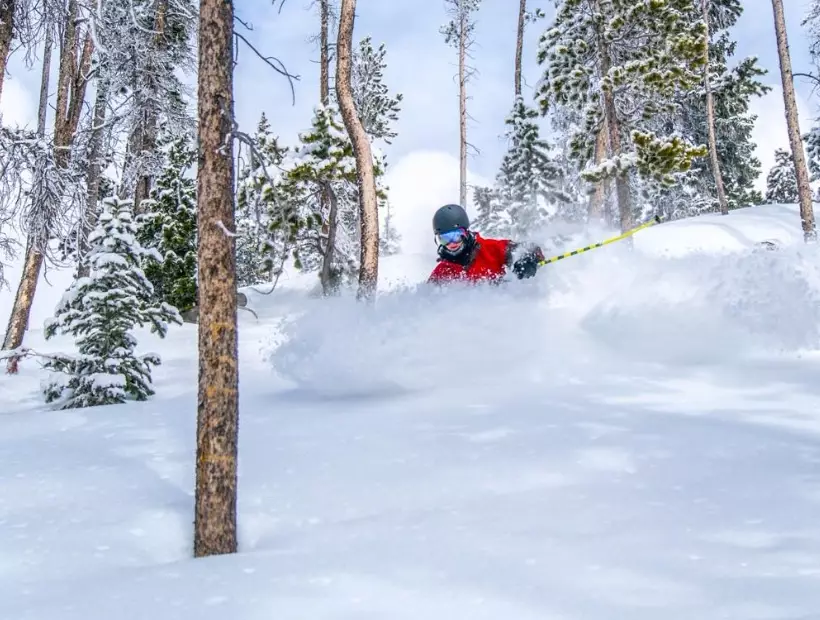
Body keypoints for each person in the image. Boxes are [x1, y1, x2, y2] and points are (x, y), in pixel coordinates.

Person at [427, 203, 545, 285]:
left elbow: (531, 249)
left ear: (466, 232)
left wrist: (528, 259)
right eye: (444, 239)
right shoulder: (441, 274)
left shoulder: (491, 249)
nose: (451, 243)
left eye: (456, 236)